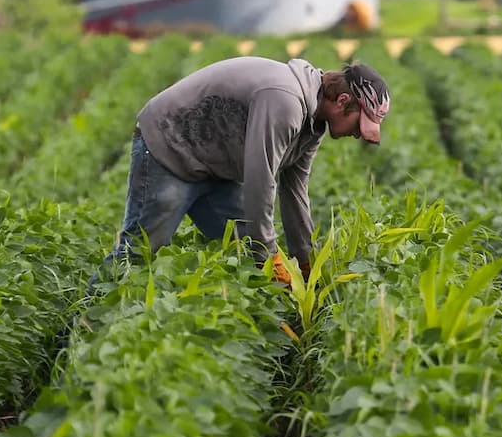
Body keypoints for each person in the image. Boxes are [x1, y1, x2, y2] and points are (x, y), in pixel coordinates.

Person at [106, 56, 389, 283]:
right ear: (342, 102)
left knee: (245, 251)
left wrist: (304, 261)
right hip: (170, 145)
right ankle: (87, 326)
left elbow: (295, 191)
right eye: (359, 124)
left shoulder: (312, 126)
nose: (358, 135)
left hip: (214, 167)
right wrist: (269, 254)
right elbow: (259, 181)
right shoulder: (285, 102)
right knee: (139, 253)